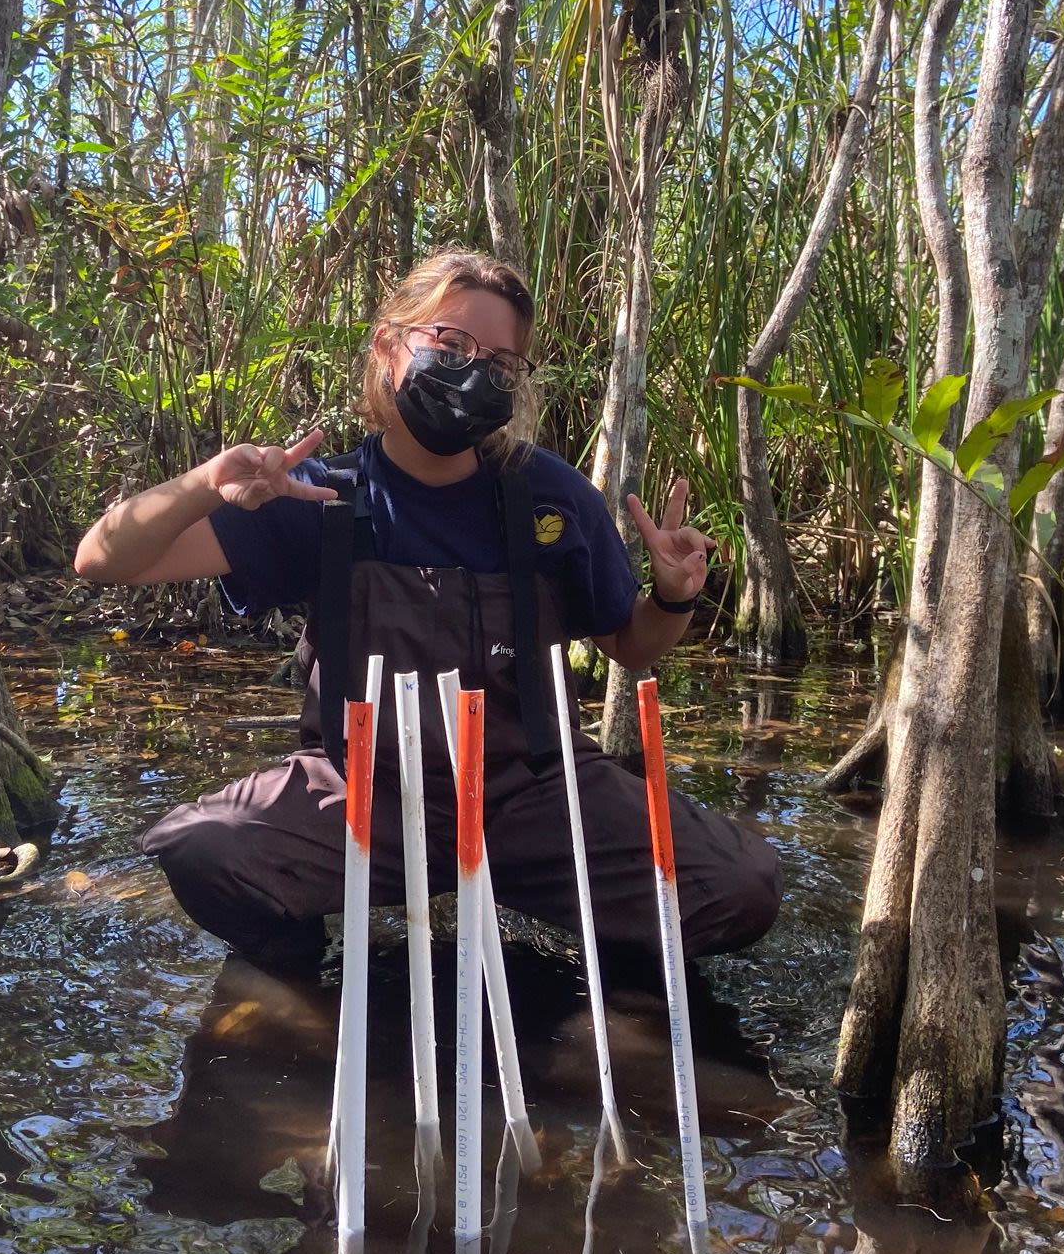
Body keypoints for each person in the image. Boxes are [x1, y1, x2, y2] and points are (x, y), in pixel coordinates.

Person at [75, 248, 780, 970]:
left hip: (534, 792)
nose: (475, 371)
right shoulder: (315, 494)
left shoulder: (554, 498)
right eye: (451, 344)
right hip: (361, 796)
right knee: (207, 848)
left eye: (500, 363)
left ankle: (594, 966)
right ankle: (293, 965)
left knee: (739, 886)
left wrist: (673, 594)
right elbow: (102, 558)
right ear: (390, 347)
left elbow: (631, 646)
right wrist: (206, 483)